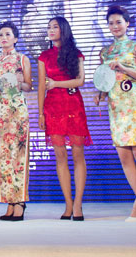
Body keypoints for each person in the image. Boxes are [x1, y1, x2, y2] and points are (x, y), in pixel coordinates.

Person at [95, 6, 136, 222]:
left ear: (127, 23)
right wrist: (100, 94)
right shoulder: (105, 52)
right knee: (124, 156)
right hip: (116, 106)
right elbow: (105, 79)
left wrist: (124, 68)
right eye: (111, 23)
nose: (115, 26)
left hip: (134, 104)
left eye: (118, 22)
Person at [37, 16, 91, 220]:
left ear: (64, 30)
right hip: (52, 108)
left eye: (55, 27)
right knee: (60, 156)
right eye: (49, 27)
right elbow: (41, 86)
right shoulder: (44, 56)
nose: (51, 30)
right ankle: (68, 204)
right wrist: (40, 113)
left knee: (78, 155)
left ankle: (78, 204)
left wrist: (56, 84)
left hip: (73, 106)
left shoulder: (76, 54)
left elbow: (80, 81)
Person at [0, 21, 32, 221]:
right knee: (2, 157)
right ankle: (9, 201)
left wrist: (18, 82)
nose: (4, 38)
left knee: (19, 155)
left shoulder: (22, 59)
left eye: (7, 34)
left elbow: (29, 86)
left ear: (15, 38)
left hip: (17, 111)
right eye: (1, 35)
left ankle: (20, 201)